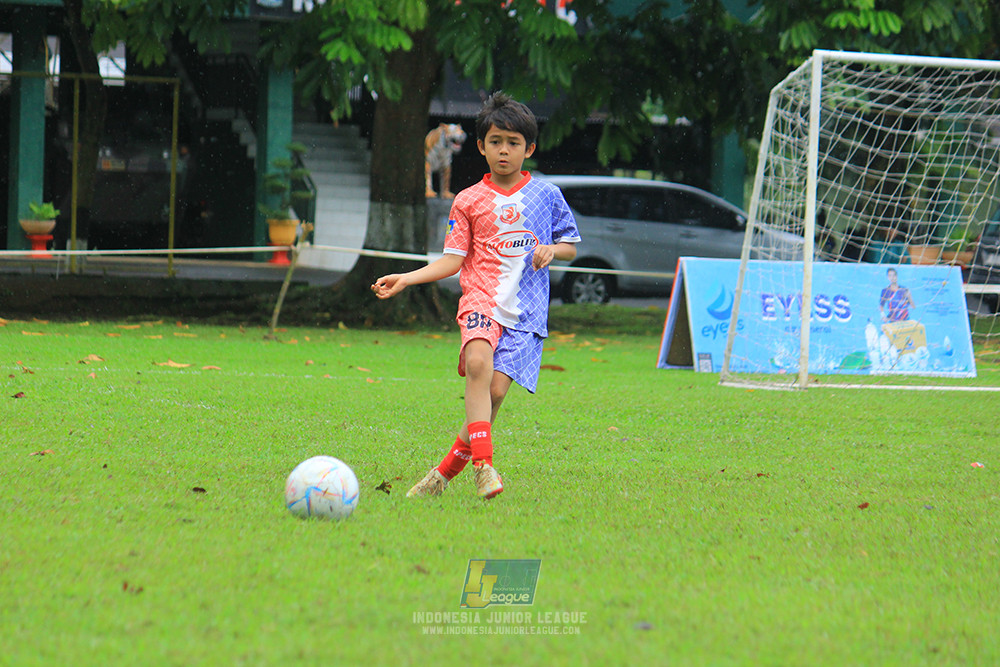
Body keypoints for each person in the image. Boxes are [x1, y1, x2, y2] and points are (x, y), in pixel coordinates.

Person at [371, 93, 581, 499]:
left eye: (514, 143)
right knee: (478, 361)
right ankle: (484, 466)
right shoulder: (466, 200)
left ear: (529, 148)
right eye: (496, 141)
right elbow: (452, 260)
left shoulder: (547, 195)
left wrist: (553, 250)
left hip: (526, 312)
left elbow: (570, 244)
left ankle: (442, 475)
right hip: (480, 299)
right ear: (481, 146)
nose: (505, 150)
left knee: (496, 393)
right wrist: (407, 278)